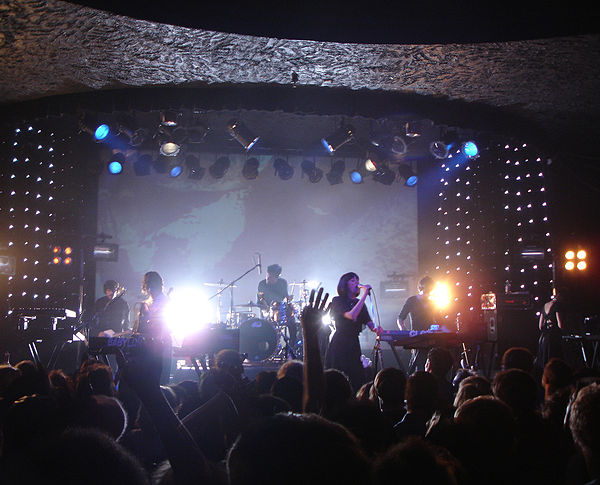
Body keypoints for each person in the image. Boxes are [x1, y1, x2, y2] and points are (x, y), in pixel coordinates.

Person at [325, 272, 380, 392]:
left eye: (357, 280)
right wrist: (365, 294)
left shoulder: (359, 303)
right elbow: (351, 315)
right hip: (340, 342)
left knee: (355, 374)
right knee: (338, 373)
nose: (356, 283)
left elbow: (370, 324)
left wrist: (378, 329)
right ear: (344, 284)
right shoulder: (337, 301)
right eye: (352, 280)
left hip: (353, 342)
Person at [133, 271, 171, 384]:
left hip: (161, 346)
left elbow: (168, 326)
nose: (150, 288)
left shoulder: (167, 302)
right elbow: (139, 327)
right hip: (146, 346)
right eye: (147, 284)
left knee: (160, 381)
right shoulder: (144, 304)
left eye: (152, 285)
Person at [397, 276, 438, 372]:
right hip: (417, 338)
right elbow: (400, 317)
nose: (428, 293)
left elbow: (438, 320)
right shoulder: (412, 300)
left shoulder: (433, 302)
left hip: (431, 338)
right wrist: (404, 332)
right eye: (427, 290)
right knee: (419, 365)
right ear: (421, 288)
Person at [257, 264, 298, 353]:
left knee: (292, 322)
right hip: (266, 312)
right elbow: (259, 302)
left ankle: (292, 347)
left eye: (270, 276)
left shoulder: (282, 283)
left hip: (279, 311)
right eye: (267, 275)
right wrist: (265, 308)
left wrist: (288, 298)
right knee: (265, 328)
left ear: (277, 276)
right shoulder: (262, 284)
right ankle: (267, 350)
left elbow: (285, 298)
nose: (268, 278)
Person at [536, 290, 563, 369]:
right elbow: (560, 324)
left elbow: (540, 326)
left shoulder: (545, 305)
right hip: (553, 337)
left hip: (543, 338)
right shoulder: (557, 306)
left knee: (544, 359)